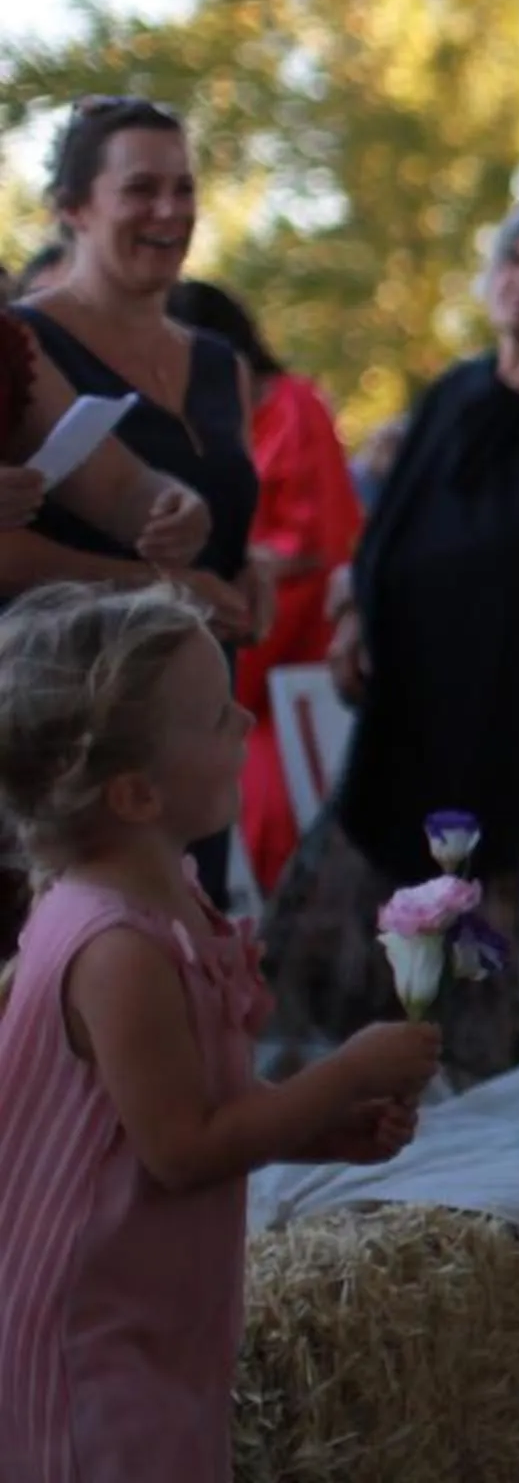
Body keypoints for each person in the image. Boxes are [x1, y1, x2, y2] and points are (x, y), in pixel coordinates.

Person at [0, 582, 440, 1483]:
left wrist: (314, 1129)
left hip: (157, 1317)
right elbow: (183, 1147)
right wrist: (346, 1074)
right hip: (86, 1343)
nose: (247, 719)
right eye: (214, 716)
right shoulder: (115, 945)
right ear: (133, 792)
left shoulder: (169, 900)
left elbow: (181, 1114)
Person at [262, 198, 519, 1084]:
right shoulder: (458, 388)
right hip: (403, 703)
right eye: (516, 260)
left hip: (500, 712)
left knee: (462, 899)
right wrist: (358, 613)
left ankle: (444, 1078)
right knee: (347, 894)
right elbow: (388, 531)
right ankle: (329, 1076)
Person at [9, 97, 271, 908]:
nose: (169, 210)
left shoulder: (222, 361)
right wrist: (163, 586)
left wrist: (242, 562)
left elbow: (130, 486)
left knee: (191, 955)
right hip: (79, 720)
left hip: (195, 712)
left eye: (184, 188)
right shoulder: (26, 344)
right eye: (141, 188)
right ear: (73, 209)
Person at [164, 282, 363, 896]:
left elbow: (315, 544)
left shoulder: (293, 404)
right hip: (238, 636)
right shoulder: (192, 419)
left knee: (267, 806)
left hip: (290, 652)